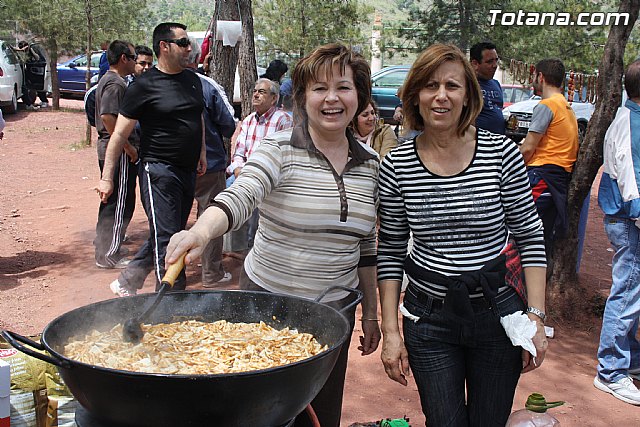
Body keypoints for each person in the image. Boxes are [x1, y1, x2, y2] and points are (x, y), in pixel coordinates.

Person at [166, 43, 381, 427]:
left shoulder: (371, 166)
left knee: (321, 414)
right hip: (267, 306)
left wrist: (370, 315)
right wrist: (199, 232)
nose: (332, 98)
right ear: (301, 98)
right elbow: (241, 195)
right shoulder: (280, 148)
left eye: (343, 87)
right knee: (259, 414)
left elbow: (365, 245)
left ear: (359, 96)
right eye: (319, 88)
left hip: (333, 314)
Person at [377, 43, 548, 426]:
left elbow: (530, 236)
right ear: (415, 95)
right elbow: (389, 251)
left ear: (468, 94)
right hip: (428, 320)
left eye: (452, 86)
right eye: (430, 85)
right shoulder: (397, 164)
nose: (441, 96)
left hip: (497, 315)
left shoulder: (500, 153)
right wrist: (390, 331)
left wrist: (536, 317)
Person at [97, 22, 206, 297]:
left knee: (170, 232)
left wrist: (202, 152)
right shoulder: (143, 86)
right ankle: (171, 303)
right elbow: (119, 134)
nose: (189, 48)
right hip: (158, 170)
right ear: (164, 46)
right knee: (169, 240)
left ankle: (127, 280)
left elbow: (197, 118)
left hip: (187, 170)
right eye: (183, 43)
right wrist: (106, 178)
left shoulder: (193, 80)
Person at [593, 59, 640, 405]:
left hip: (629, 219)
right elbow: (630, 178)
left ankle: (629, 358)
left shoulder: (632, 119)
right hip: (629, 221)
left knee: (631, 291)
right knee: (626, 292)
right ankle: (610, 371)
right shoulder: (629, 123)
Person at [185, 36, 236, 287]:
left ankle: (170, 277)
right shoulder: (207, 85)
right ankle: (211, 274)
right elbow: (229, 124)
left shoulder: (150, 84)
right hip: (209, 165)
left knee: (170, 221)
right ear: (196, 58)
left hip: (168, 169)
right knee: (211, 215)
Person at [519, 58, 578, 264]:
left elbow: (527, 149)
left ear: (540, 77)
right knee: (542, 239)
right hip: (557, 178)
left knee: (524, 233)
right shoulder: (566, 106)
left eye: (534, 76)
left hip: (541, 176)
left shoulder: (546, 106)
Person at [226, 78, 293, 248]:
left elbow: (285, 157)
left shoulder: (283, 120)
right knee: (227, 193)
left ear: (274, 98)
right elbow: (239, 153)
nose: (256, 94)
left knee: (259, 198)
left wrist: (257, 176)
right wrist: (238, 170)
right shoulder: (248, 120)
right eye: (255, 91)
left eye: (261, 92)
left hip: (269, 178)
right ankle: (236, 248)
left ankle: (252, 246)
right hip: (244, 175)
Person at [94, 40, 138, 269]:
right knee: (119, 203)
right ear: (123, 59)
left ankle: (107, 247)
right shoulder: (115, 84)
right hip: (118, 153)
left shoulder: (111, 81)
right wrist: (127, 147)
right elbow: (108, 117)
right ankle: (108, 255)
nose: (135, 62)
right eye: (133, 57)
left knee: (114, 202)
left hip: (114, 150)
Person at [470, 41, 505, 134]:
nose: (495, 65)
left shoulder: (496, 84)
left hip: (497, 142)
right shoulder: (467, 84)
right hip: (477, 143)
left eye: (496, 60)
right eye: (489, 62)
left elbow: (497, 110)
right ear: (475, 64)